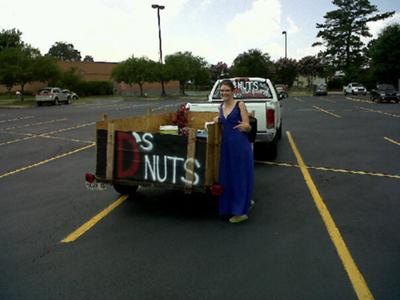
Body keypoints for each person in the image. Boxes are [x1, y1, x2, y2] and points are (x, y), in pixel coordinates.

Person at [214, 79, 254, 223]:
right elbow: (223, 119)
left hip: (240, 146)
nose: (224, 93)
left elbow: (247, 125)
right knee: (228, 177)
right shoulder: (221, 106)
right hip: (226, 147)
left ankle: (240, 212)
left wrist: (245, 127)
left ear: (233, 91)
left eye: (227, 90)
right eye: (222, 90)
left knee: (240, 177)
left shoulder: (240, 104)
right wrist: (217, 119)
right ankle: (233, 206)